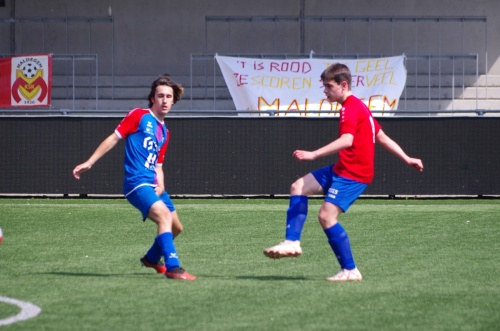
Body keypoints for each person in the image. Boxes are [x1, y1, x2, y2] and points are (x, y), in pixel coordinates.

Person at [263, 63, 423, 282]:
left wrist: (314, 154)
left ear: (343, 84)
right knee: (298, 186)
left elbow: (347, 140)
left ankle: (350, 270)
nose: (326, 91)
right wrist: (407, 158)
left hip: (354, 175)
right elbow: (382, 136)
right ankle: (292, 242)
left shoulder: (351, 108)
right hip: (341, 169)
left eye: (329, 86)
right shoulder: (358, 107)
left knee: (326, 216)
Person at [73, 75, 196, 281]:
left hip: (154, 184)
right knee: (164, 217)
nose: (165, 100)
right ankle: (173, 267)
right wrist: (90, 161)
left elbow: (158, 165)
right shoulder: (139, 116)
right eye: (160, 96)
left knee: (177, 227)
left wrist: (162, 185)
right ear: (152, 98)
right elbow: (114, 137)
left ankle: (151, 258)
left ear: (173, 101)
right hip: (136, 183)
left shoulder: (165, 132)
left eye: (168, 96)